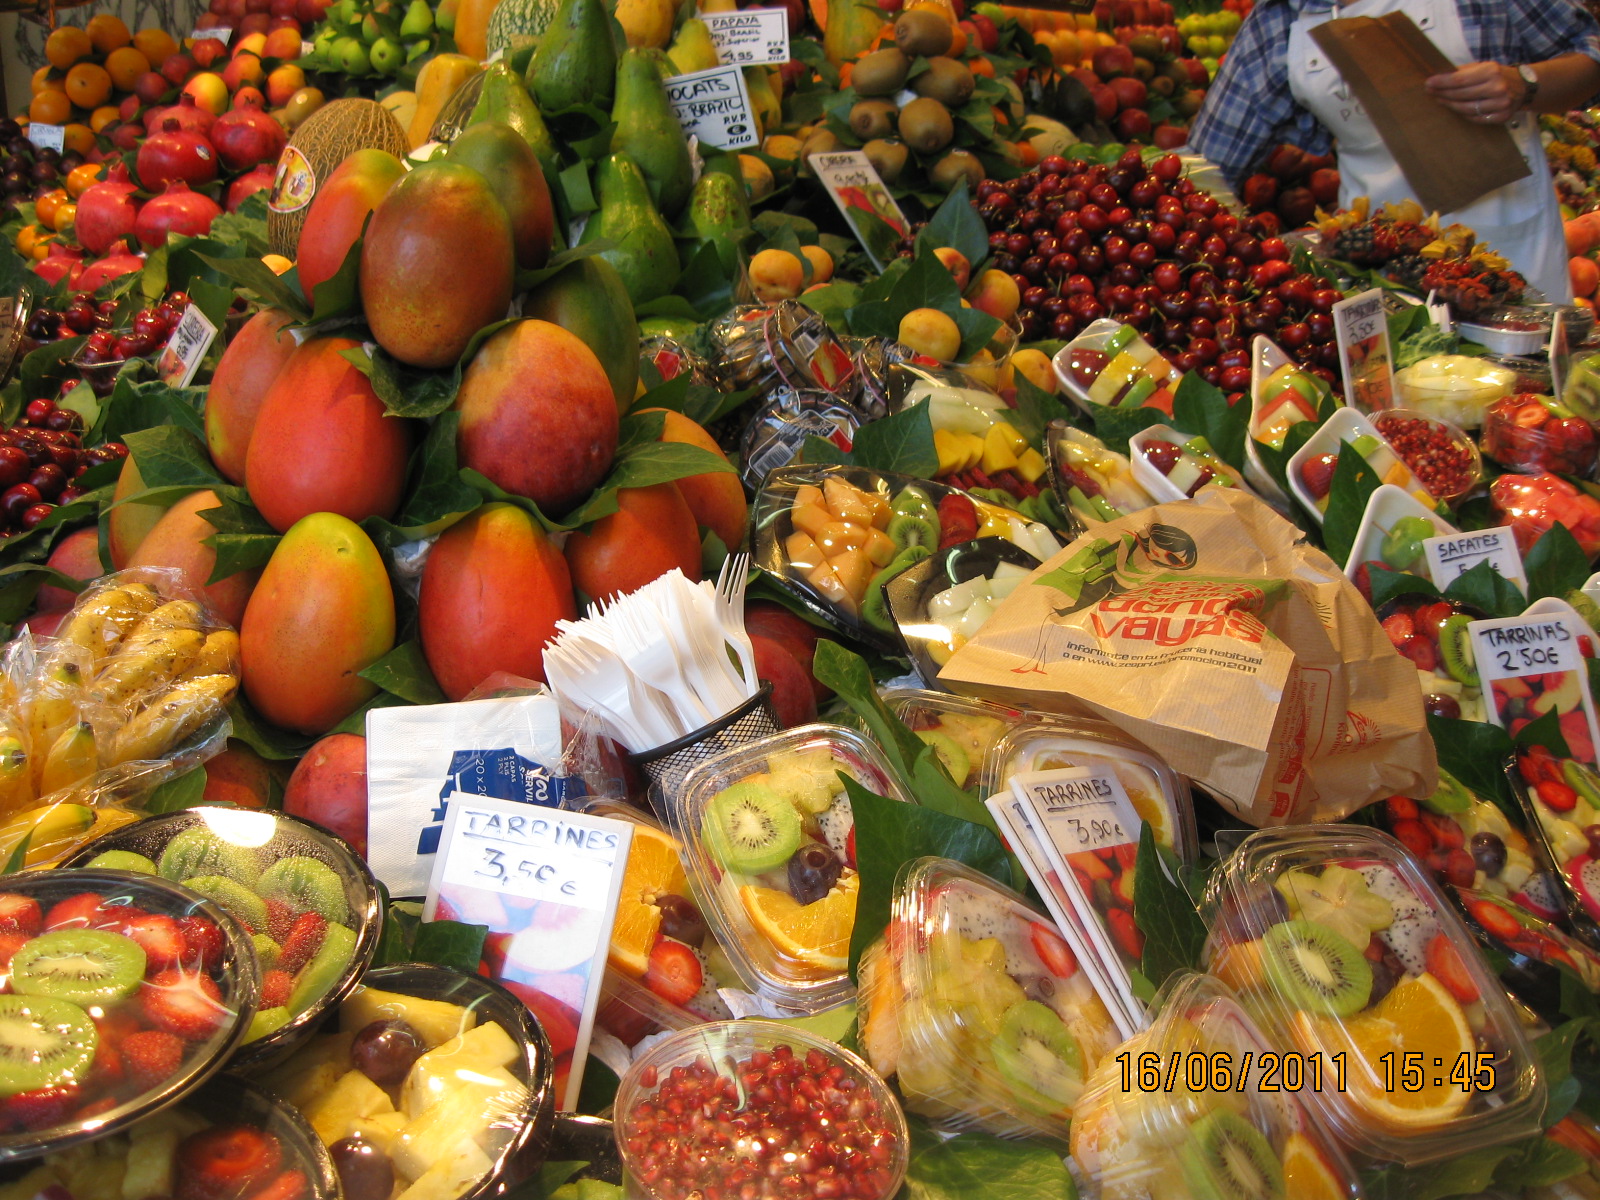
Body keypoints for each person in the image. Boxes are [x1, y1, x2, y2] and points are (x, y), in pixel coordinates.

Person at [1187, 0, 1600, 302]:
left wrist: (1524, 84)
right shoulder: (1277, 21)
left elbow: (1592, 54)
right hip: (1375, 272)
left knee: (1523, 411)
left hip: (1512, 256)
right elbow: (1202, 171)